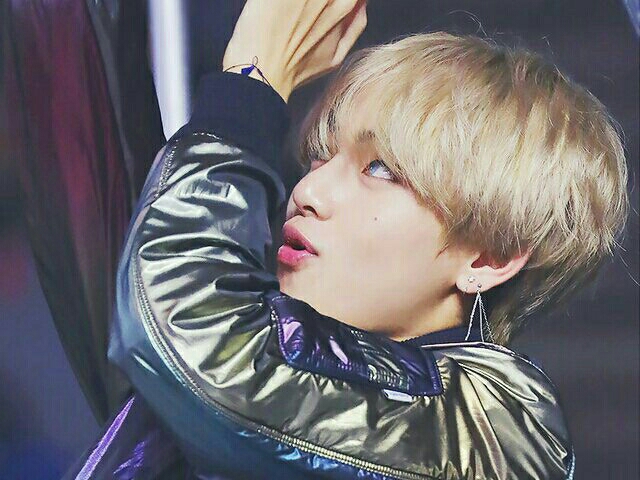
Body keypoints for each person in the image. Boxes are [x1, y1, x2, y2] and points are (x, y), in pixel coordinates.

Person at [67, 0, 629, 478]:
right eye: (319, 156)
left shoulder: (497, 432)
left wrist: (250, 87)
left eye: (380, 170)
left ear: (489, 256)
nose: (308, 190)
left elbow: (196, 334)